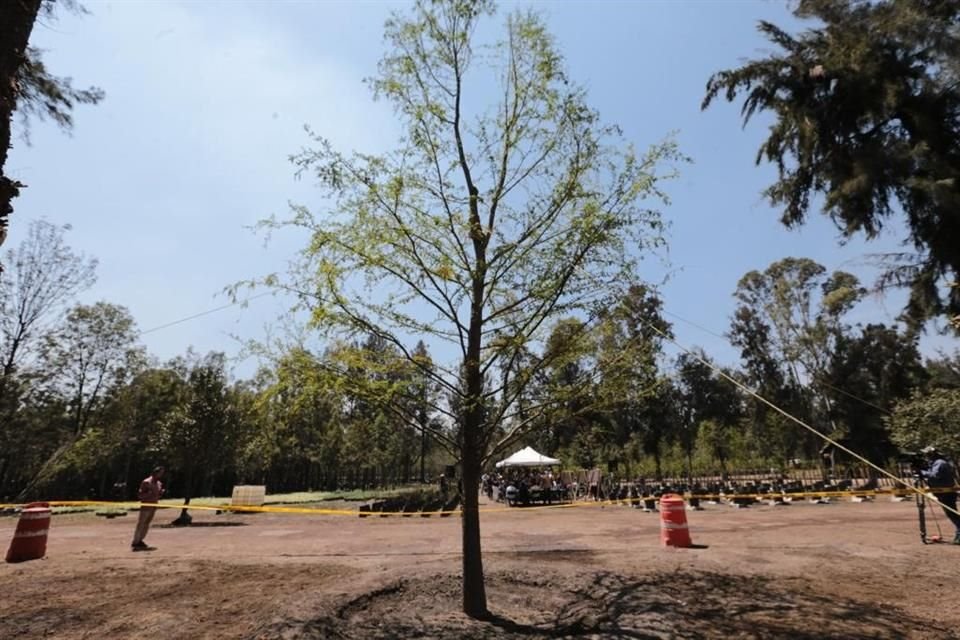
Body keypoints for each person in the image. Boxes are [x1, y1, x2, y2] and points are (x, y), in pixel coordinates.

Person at [919, 446, 960, 544]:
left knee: (952, 514)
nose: (926, 456)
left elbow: (935, 475)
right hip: (942, 493)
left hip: (947, 493)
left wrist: (922, 472)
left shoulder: (940, 463)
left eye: (927, 454)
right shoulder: (935, 463)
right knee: (951, 514)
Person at [131, 466, 165, 551]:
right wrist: (148, 494)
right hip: (146, 506)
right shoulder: (146, 482)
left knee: (147, 523)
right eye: (160, 473)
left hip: (154, 506)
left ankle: (140, 540)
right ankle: (135, 541)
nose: (161, 475)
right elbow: (140, 495)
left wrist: (160, 493)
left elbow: (158, 495)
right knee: (141, 523)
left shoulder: (159, 484)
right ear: (155, 472)